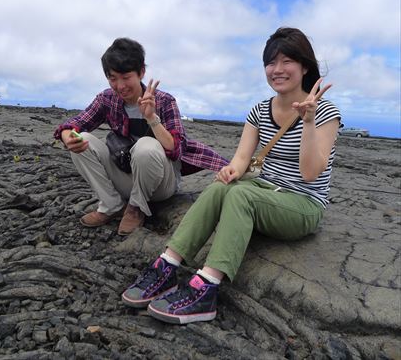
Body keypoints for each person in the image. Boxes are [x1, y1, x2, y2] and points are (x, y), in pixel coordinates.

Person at [121, 27, 342, 324]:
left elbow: (310, 173)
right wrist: (230, 171)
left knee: (240, 194)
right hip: (265, 188)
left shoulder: (325, 112)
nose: (277, 70)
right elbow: (241, 160)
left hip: (302, 203)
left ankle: (207, 289)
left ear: (304, 66)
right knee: (220, 187)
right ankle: (168, 265)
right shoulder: (260, 110)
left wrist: (309, 121)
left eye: (286, 61)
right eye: (270, 63)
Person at [54, 38, 228, 236]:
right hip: (127, 174)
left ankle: (136, 208)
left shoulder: (164, 101)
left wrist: (152, 118)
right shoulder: (107, 99)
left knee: (146, 145)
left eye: (126, 77)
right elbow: (74, 124)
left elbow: (176, 148)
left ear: (141, 72)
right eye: (112, 79)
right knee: (80, 139)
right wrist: (68, 136)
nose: (120, 86)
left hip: (162, 183)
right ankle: (112, 206)